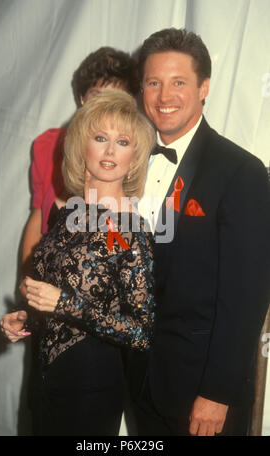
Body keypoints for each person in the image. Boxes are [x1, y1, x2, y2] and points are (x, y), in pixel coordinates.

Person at [130, 27, 270, 436]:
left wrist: (217, 393)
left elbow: (246, 298)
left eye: (178, 82)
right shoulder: (129, 162)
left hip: (202, 395)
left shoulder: (241, 172)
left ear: (204, 87)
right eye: (154, 82)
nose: (163, 96)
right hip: (140, 380)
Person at [2, 89, 157, 436]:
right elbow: (57, 297)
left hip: (89, 388)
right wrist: (27, 317)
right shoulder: (70, 213)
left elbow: (141, 331)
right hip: (43, 381)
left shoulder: (130, 230)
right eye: (100, 138)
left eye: (122, 141)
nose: (109, 150)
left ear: (135, 156)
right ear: (81, 147)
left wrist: (65, 304)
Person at [1, 46, 139, 340]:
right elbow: (38, 218)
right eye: (96, 97)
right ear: (81, 99)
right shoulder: (48, 145)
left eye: (113, 100)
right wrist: (26, 287)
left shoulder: (129, 155)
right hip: (47, 306)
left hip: (101, 312)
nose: (101, 110)